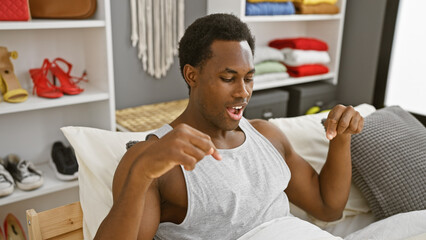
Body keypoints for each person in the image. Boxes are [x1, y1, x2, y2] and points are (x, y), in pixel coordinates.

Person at [95, 13, 364, 240]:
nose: (243, 92)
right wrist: (141, 172)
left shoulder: (267, 135)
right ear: (192, 75)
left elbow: (328, 208)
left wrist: (341, 138)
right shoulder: (154, 158)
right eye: (228, 78)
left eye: (248, 78)